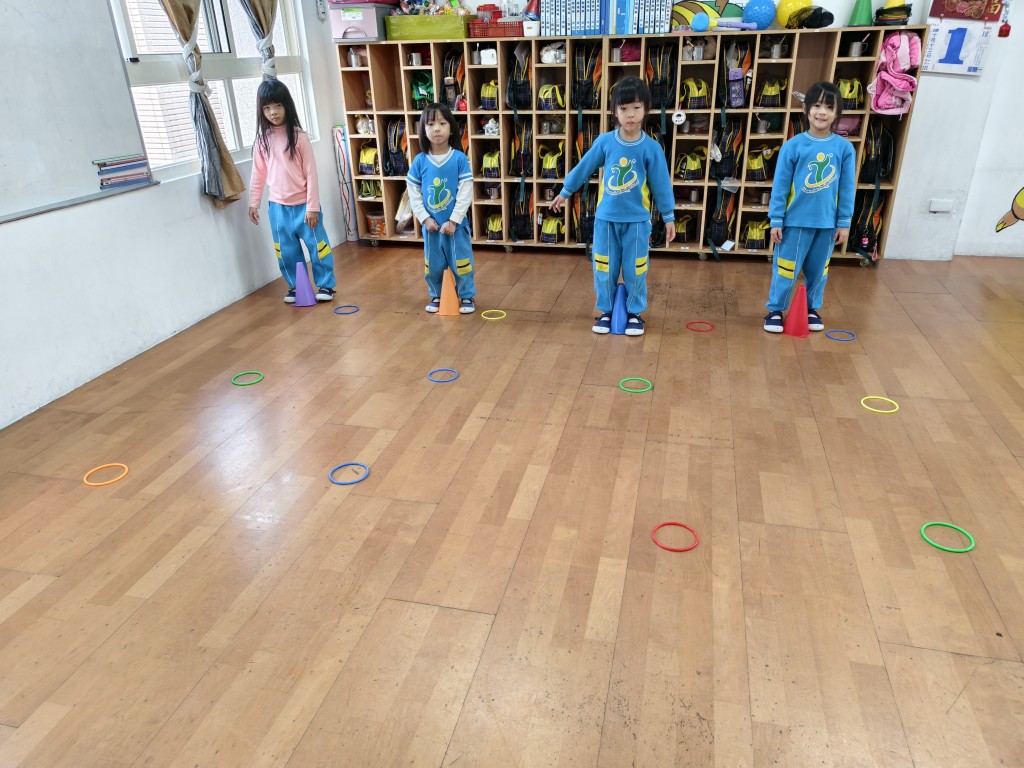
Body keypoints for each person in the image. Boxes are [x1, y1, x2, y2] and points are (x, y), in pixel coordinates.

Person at [551, 77, 675, 336]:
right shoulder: (605, 142)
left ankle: (634, 312)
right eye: (624, 108)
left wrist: (668, 216)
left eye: (636, 108)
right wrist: (565, 191)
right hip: (606, 221)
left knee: (636, 269)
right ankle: (606, 310)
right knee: (604, 268)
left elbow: (661, 185)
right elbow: (584, 167)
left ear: (646, 109)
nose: (630, 114)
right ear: (614, 111)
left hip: (637, 223)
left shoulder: (651, 148)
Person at [763, 81, 855, 332]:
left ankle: (812, 309)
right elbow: (780, 187)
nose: (822, 112)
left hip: (826, 225)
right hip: (794, 223)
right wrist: (776, 219)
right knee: (786, 269)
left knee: (819, 271)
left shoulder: (844, 149)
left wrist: (844, 222)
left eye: (829, 107)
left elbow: (847, 189)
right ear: (806, 109)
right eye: (816, 105)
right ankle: (775, 310)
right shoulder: (793, 146)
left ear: (837, 113)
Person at [248, 79, 336, 303]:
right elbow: (258, 174)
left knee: (318, 247)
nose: (273, 112)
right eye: (267, 107)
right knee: (286, 251)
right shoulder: (262, 141)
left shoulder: (299, 137)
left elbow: (311, 174)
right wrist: (253, 203)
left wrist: (312, 207)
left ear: (287, 105)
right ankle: (296, 287)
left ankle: (326, 285)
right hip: (278, 209)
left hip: (305, 207)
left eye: (278, 105)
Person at [406, 103, 476, 314]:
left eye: (442, 123)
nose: (436, 128)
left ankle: (466, 296)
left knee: (461, 262)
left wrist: (454, 220)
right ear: (423, 130)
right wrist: (425, 218)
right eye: (430, 124)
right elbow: (413, 192)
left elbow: (465, 191)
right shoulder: (420, 161)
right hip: (432, 228)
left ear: (451, 128)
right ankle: (437, 294)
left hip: (456, 227)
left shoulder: (459, 159)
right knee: (433, 264)